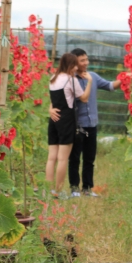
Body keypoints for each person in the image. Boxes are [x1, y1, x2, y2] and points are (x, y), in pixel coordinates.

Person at [50, 48, 121, 197]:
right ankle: (74, 187)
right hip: (77, 124)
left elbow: (109, 86)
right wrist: (50, 109)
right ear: (74, 62)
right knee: (74, 158)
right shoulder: (70, 78)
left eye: (86, 59)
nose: (86, 63)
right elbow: (60, 99)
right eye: (82, 60)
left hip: (91, 123)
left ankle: (87, 188)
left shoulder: (93, 76)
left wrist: (125, 79)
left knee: (89, 158)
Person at [46, 53, 93, 200]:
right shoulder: (71, 80)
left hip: (53, 119)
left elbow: (54, 101)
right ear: (70, 65)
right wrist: (89, 81)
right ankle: (58, 191)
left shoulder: (52, 78)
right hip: (66, 120)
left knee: (51, 158)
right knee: (62, 158)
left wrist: (50, 109)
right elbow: (84, 98)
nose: (76, 68)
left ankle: (48, 190)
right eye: (74, 65)